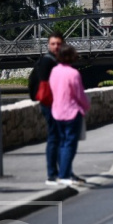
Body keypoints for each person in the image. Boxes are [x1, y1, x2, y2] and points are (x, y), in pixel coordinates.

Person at [49, 44, 90, 186]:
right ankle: (64, 175)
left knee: (61, 143)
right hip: (72, 113)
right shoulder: (73, 73)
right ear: (70, 57)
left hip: (57, 112)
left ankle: (62, 173)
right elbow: (80, 95)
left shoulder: (54, 71)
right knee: (70, 145)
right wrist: (86, 107)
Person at [29, 32, 63, 185]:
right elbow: (44, 85)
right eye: (53, 44)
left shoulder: (57, 60)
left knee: (59, 138)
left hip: (56, 104)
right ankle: (52, 174)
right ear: (49, 45)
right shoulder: (47, 62)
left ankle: (62, 171)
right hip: (50, 104)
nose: (56, 46)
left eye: (58, 44)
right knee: (54, 137)